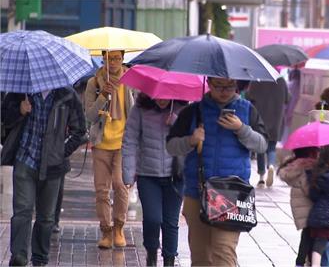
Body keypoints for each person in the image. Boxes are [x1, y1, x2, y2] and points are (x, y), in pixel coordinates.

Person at [166, 77, 267, 266]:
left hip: (232, 192)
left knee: (224, 251)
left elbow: (262, 145)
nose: (224, 91)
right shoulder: (193, 111)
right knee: (200, 255)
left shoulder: (247, 110)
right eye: (218, 86)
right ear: (209, 83)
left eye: (229, 86)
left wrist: (241, 129)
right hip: (197, 192)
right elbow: (171, 147)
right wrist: (191, 140)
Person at [2, 88, 87, 266]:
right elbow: (4, 118)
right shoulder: (21, 91)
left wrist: (61, 152)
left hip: (53, 165)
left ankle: (40, 258)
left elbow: (80, 131)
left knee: (46, 216)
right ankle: (19, 255)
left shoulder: (67, 95)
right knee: (22, 211)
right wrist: (19, 110)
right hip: (25, 159)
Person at [122, 93, 185, 266]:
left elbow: (193, 141)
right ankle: (151, 256)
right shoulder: (140, 109)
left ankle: (169, 261)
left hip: (176, 175)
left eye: (166, 94)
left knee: (170, 222)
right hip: (148, 175)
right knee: (152, 219)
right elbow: (130, 140)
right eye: (158, 95)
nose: (162, 99)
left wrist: (177, 123)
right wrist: (128, 173)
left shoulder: (184, 109)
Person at [85, 50, 135, 249]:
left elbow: (136, 112)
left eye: (117, 58)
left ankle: (119, 227)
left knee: (120, 184)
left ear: (123, 59)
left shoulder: (130, 81)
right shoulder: (94, 83)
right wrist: (103, 96)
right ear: (103, 59)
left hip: (123, 144)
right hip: (101, 143)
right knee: (101, 190)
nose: (113, 62)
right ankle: (106, 230)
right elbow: (89, 116)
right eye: (109, 58)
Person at [278, 147, 329, 267]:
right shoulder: (309, 168)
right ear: (312, 152)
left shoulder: (294, 167)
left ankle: (301, 263)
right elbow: (311, 192)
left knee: (309, 241)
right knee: (323, 243)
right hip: (314, 211)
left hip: (302, 212)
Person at [246, 76, 290, 187]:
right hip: (276, 118)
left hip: (260, 117)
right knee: (271, 147)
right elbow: (288, 98)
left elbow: (248, 96)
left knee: (261, 147)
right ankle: (270, 165)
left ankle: (261, 178)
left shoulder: (257, 79)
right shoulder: (280, 80)